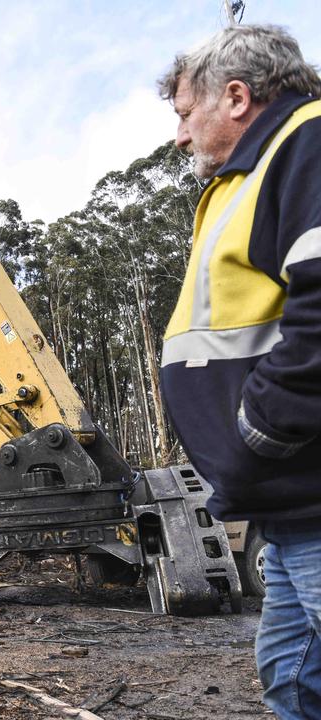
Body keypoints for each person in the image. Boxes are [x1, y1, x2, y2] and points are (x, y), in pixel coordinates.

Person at [158, 24, 321, 719]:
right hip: (286, 506)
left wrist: (263, 427)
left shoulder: (306, 145)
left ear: (235, 97)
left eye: (184, 115)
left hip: (306, 486)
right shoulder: (251, 174)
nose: (179, 137)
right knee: (290, 679)